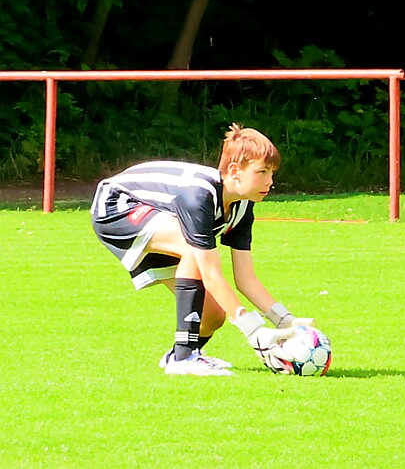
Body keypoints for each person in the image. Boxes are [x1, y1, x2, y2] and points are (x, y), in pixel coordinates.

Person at [90, 123, 314, 376]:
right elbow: (210, 273)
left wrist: (286, 321)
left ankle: (182, 354)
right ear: (235, 171)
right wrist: (254, 331)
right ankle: (183, 358)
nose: (269, 181)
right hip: (117, 205)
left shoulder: (243, 206)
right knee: (191, 250)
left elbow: (246, 279)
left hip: (159, 213)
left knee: (213, 316)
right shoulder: (198, 196)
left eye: (272, 173)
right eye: (261, 172)